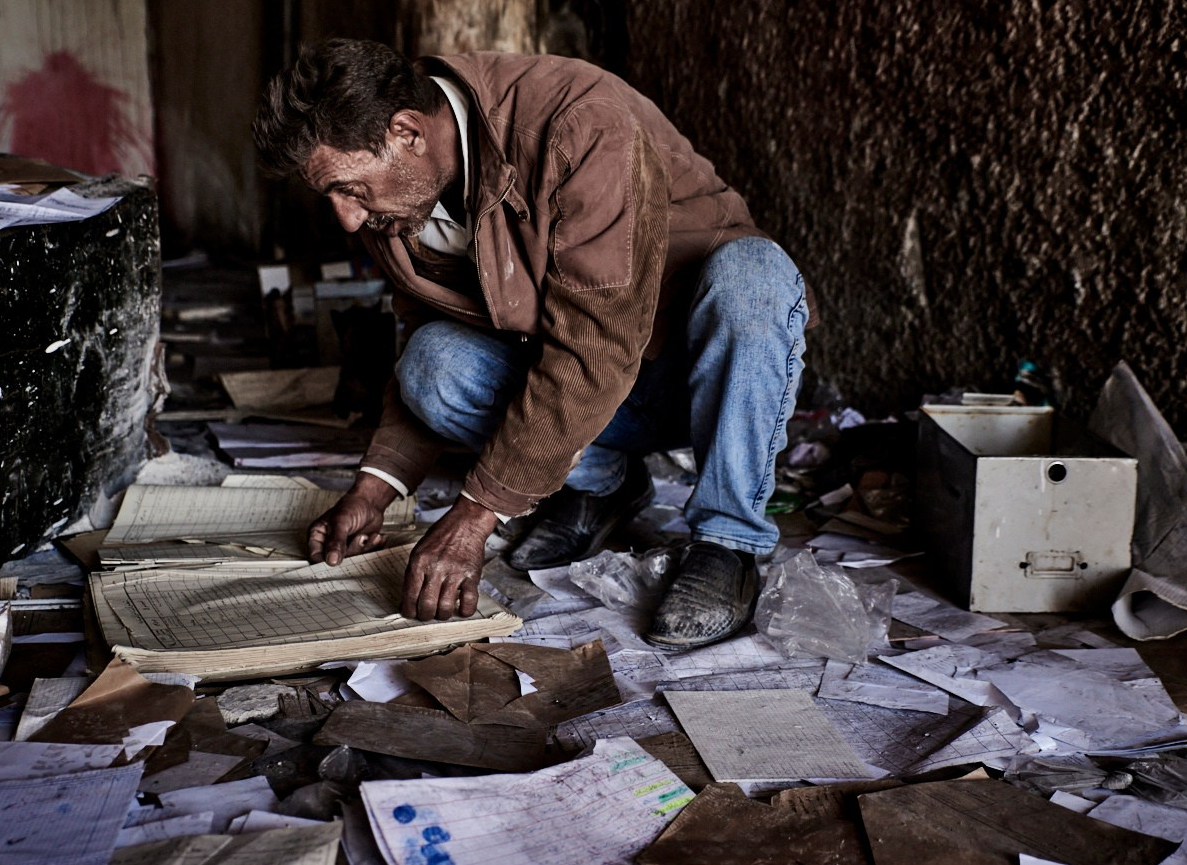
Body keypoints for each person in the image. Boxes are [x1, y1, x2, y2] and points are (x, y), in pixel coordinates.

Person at [253, 38, 814, 649]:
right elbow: (425, 326)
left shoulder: (580, 125)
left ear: (407, 132)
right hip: (594, 398)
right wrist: (374, 489)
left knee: (753, 275)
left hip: (699, 382)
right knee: (431, 362)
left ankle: (728, 542)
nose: (348, 218)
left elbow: (594, 351)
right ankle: (604, 486)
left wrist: (475, 515)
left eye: (349, 189)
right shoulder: (397, 202)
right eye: (332, 196)